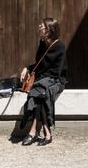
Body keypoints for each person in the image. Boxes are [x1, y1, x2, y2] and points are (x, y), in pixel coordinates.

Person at [13, 18, 68, 147]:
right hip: (44, 80)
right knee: (40, 94)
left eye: (42, 26)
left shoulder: (60, 46)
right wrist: (27, 68)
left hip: (56, 80)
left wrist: (41, 80)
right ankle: (46, 133)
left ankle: (33, 132)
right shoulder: (42, 43)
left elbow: (57, 71)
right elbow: (39, 64)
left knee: (41, 91)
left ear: (49, 30)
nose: (40, 27)